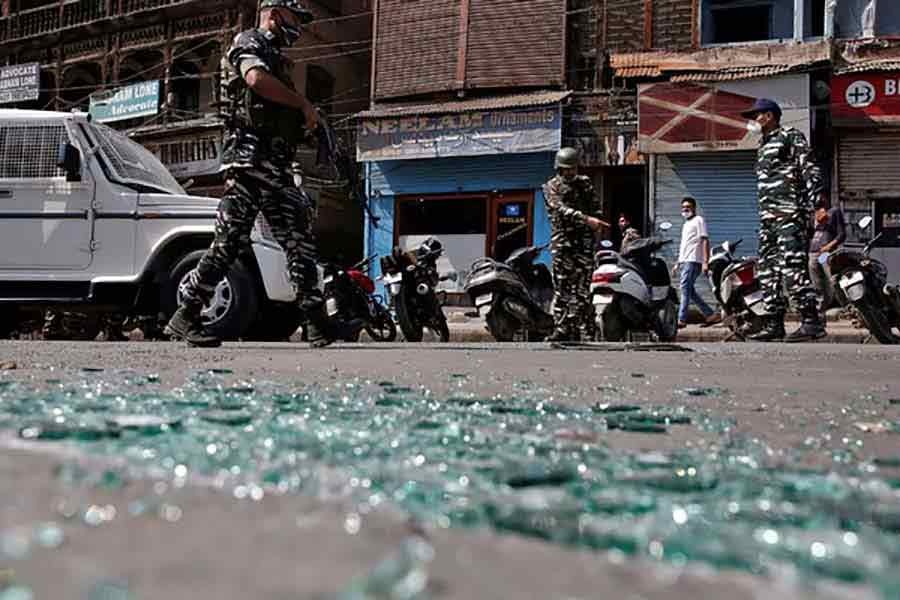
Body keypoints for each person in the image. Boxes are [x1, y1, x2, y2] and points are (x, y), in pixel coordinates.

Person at [165, 0, 334, 348]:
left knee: (297, 240)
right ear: (274, 14)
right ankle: (186, 316)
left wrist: (305, 123)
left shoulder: (279, 60)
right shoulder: (249, 41)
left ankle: (316, 324)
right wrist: (302, 104)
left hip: (274, 165)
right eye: (293, 19)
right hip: (249, 163)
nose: (297, 29)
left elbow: (274, 113)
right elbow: (255, 80)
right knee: (230, 243)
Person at [741, 98, 827, 342]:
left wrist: (819, 205)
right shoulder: (763, 144)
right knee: (768, 271)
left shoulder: (790, 136)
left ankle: (811, 322)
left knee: (793, 268)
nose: (753, 121)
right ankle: (774, 323)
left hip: (790, 214)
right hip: (768, 219)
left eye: (755, 116)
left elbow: (809, 168)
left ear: (768, 116)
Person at [542, 147, 608, 342]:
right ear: (559, 169)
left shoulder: (585, 184)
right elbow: (561, 209)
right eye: (566, 169)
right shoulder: (550, 187)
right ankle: (562, 329)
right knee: (562, 288)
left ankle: (585, 328)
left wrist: (595, 224)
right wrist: (586, 219)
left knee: (582, 290)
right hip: (563, 244)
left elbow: (596, 209)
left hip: (584, 245)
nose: (570, 172)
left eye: (573, 169)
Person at [673, 197, 720, 328]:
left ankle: (681, 319)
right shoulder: (686, 224)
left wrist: (705, 261)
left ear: (694, 208)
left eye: (688, 206)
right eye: (683, 207)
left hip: (693, 260)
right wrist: (678, 263)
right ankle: (710, 314)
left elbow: (705, 240)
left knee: (684, 288)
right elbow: (684, 246)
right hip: (685, 261)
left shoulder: (698, 220)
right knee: (689, 290)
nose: (685, 209)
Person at [808, 198, 846, 314]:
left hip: (824, 253)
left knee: (833, 280)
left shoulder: (834, 211)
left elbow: (842, 234)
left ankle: (846, 305)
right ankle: (820, 312)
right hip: (813, 253)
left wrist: (829, 246)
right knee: (817, 284)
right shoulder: (813, 214)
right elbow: (810, 233)